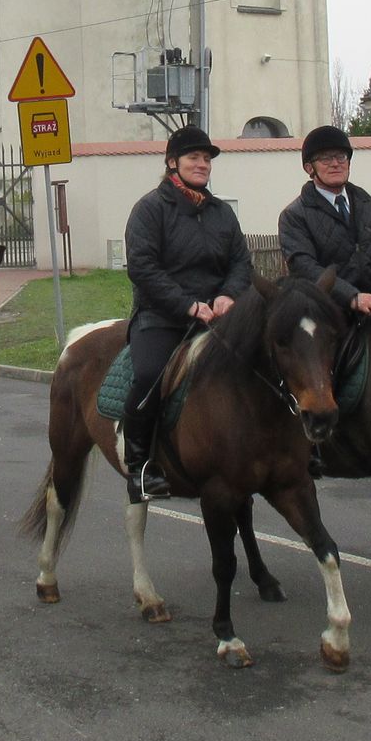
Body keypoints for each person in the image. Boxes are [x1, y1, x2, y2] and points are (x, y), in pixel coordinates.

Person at [119, 125, 254, 501]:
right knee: (149, 376)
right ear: (172, 162)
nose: (203, 164)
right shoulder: (149, 209)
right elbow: (143, 268)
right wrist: (187, 305)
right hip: (162, 317)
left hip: (218, 317)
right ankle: (140, 468)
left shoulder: (222, 213)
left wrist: (228, 295)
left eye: (207, 158)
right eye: (194, 157)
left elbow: (241, 262)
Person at [277, 125, 371, 318]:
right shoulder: (294, 216)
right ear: (309, 168)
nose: (335, 164)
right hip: (325, 313)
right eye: (325, 158)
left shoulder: (369, 205)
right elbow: (306, 269)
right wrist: (351, 296)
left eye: (341, 157)